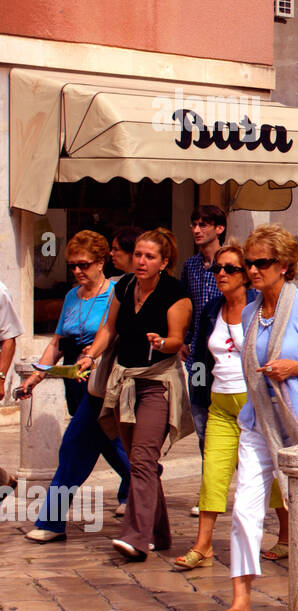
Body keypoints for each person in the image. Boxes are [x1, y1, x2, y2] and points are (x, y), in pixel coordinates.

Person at [198, 225, 298, 611]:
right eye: (250, 262)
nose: (252, 269)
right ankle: (241, 605)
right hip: (255, 424)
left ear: (284, 265)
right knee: (244, 511)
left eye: (261, 262)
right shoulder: (249, 312)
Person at [77, 228, 194, 562]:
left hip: (157, 382)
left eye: (149, 257)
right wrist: (90, 356)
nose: (141, 261)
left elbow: (176, 339)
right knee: (140, 460)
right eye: (138, 255)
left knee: (142, 458)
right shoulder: (124, 286)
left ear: (164, 262)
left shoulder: (176, 294)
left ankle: (135, 538)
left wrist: (161, 343)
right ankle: (159, 533)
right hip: (123, 382)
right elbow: (108, 329)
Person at [175, 244, 290, 570]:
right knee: (212, 472)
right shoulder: (212, 308)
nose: (220, 274)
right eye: (217, 269)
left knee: (271, 474)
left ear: (246, 274)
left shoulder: (261, 307)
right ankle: (203, 544)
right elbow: (199, 352)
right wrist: (198, 394)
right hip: (220, 403)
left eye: (230, 269)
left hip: (256, 403)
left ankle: (285, 535)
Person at [18, 231, 131, 542]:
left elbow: (113, 338)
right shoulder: (70, 297)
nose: (78, 271)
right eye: (73, 266)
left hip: (103, 384)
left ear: (100, 262)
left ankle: (51, 522)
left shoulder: (116, 294)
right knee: (118, 450)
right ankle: (148, 496)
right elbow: (57, 342)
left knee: (73, 448)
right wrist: (36, 376)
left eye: (83, 265)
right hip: (75, 384)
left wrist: (92, 359)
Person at [180, 206, 227, 516]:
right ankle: (208, 488)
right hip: (198, 356)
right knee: (201, 422)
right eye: (194, 224)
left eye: (204, 225)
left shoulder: (231, 263)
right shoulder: (191, 266)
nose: (197, 230)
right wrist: (182, 338)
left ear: (219, 229)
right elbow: (185, 303)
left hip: (227, 354)